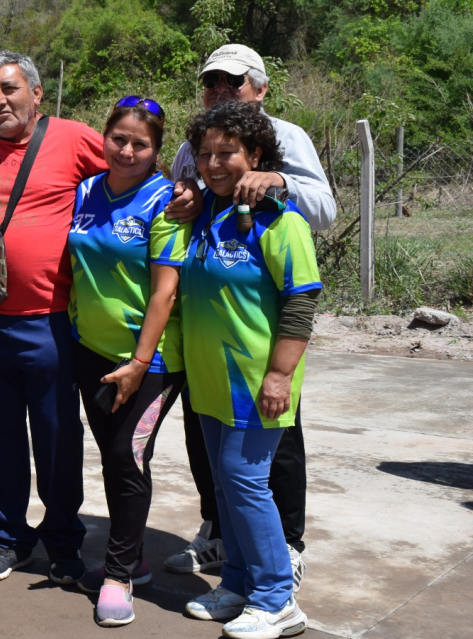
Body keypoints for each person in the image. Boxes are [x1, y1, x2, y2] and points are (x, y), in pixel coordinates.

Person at [0, 50, 110, 584]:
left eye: (8, 89)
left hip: (51, 320)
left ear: (35, 93)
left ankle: (62, 539)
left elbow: (131, 177)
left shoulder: (74, 138)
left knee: (57, 435)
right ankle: (8, 536)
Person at [164, 44, 335, 589]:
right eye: (211, 82)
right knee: (207, 439)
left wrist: (277, 183)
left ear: (260, 90)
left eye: (232, 83)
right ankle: (221, 537)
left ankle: (283, 546)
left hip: (260, 329)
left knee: (272, 447)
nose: (220, 90)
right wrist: (185, 195)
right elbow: (181, 203)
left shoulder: (284, 138)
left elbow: (325, 211)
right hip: (210, 329)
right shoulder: (193, 149)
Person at [180, 100, 319, 639]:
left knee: (245, 483)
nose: (215, 164)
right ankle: (237, 582)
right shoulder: (209, 216)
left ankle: (276, 598)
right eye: (205, 154)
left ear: (255, 154)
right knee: (225, 483)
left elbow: (301, 302)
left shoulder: (280, 221)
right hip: (210, 380)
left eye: (227, 153)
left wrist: (280, 375)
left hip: (256, 380)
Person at [65, 96, 189, 626]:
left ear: (157, 151)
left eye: (141, 144)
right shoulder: (87, 189)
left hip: (150, 362)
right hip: (89, 351)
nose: (128, 150)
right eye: (119, 139)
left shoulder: (166, 201)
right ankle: (132, 557)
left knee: (128, 460)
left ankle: (119, 576)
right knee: (114, 459)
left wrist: (139, 362)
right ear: (105, 138)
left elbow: (165, 293)